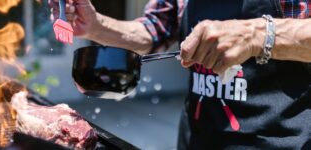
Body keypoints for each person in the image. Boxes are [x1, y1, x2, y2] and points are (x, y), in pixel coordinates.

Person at [48, 0, 311, 149]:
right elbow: (155, 30)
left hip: (278, 141)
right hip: (196, 138)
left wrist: (259, 34)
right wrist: (96, 25)